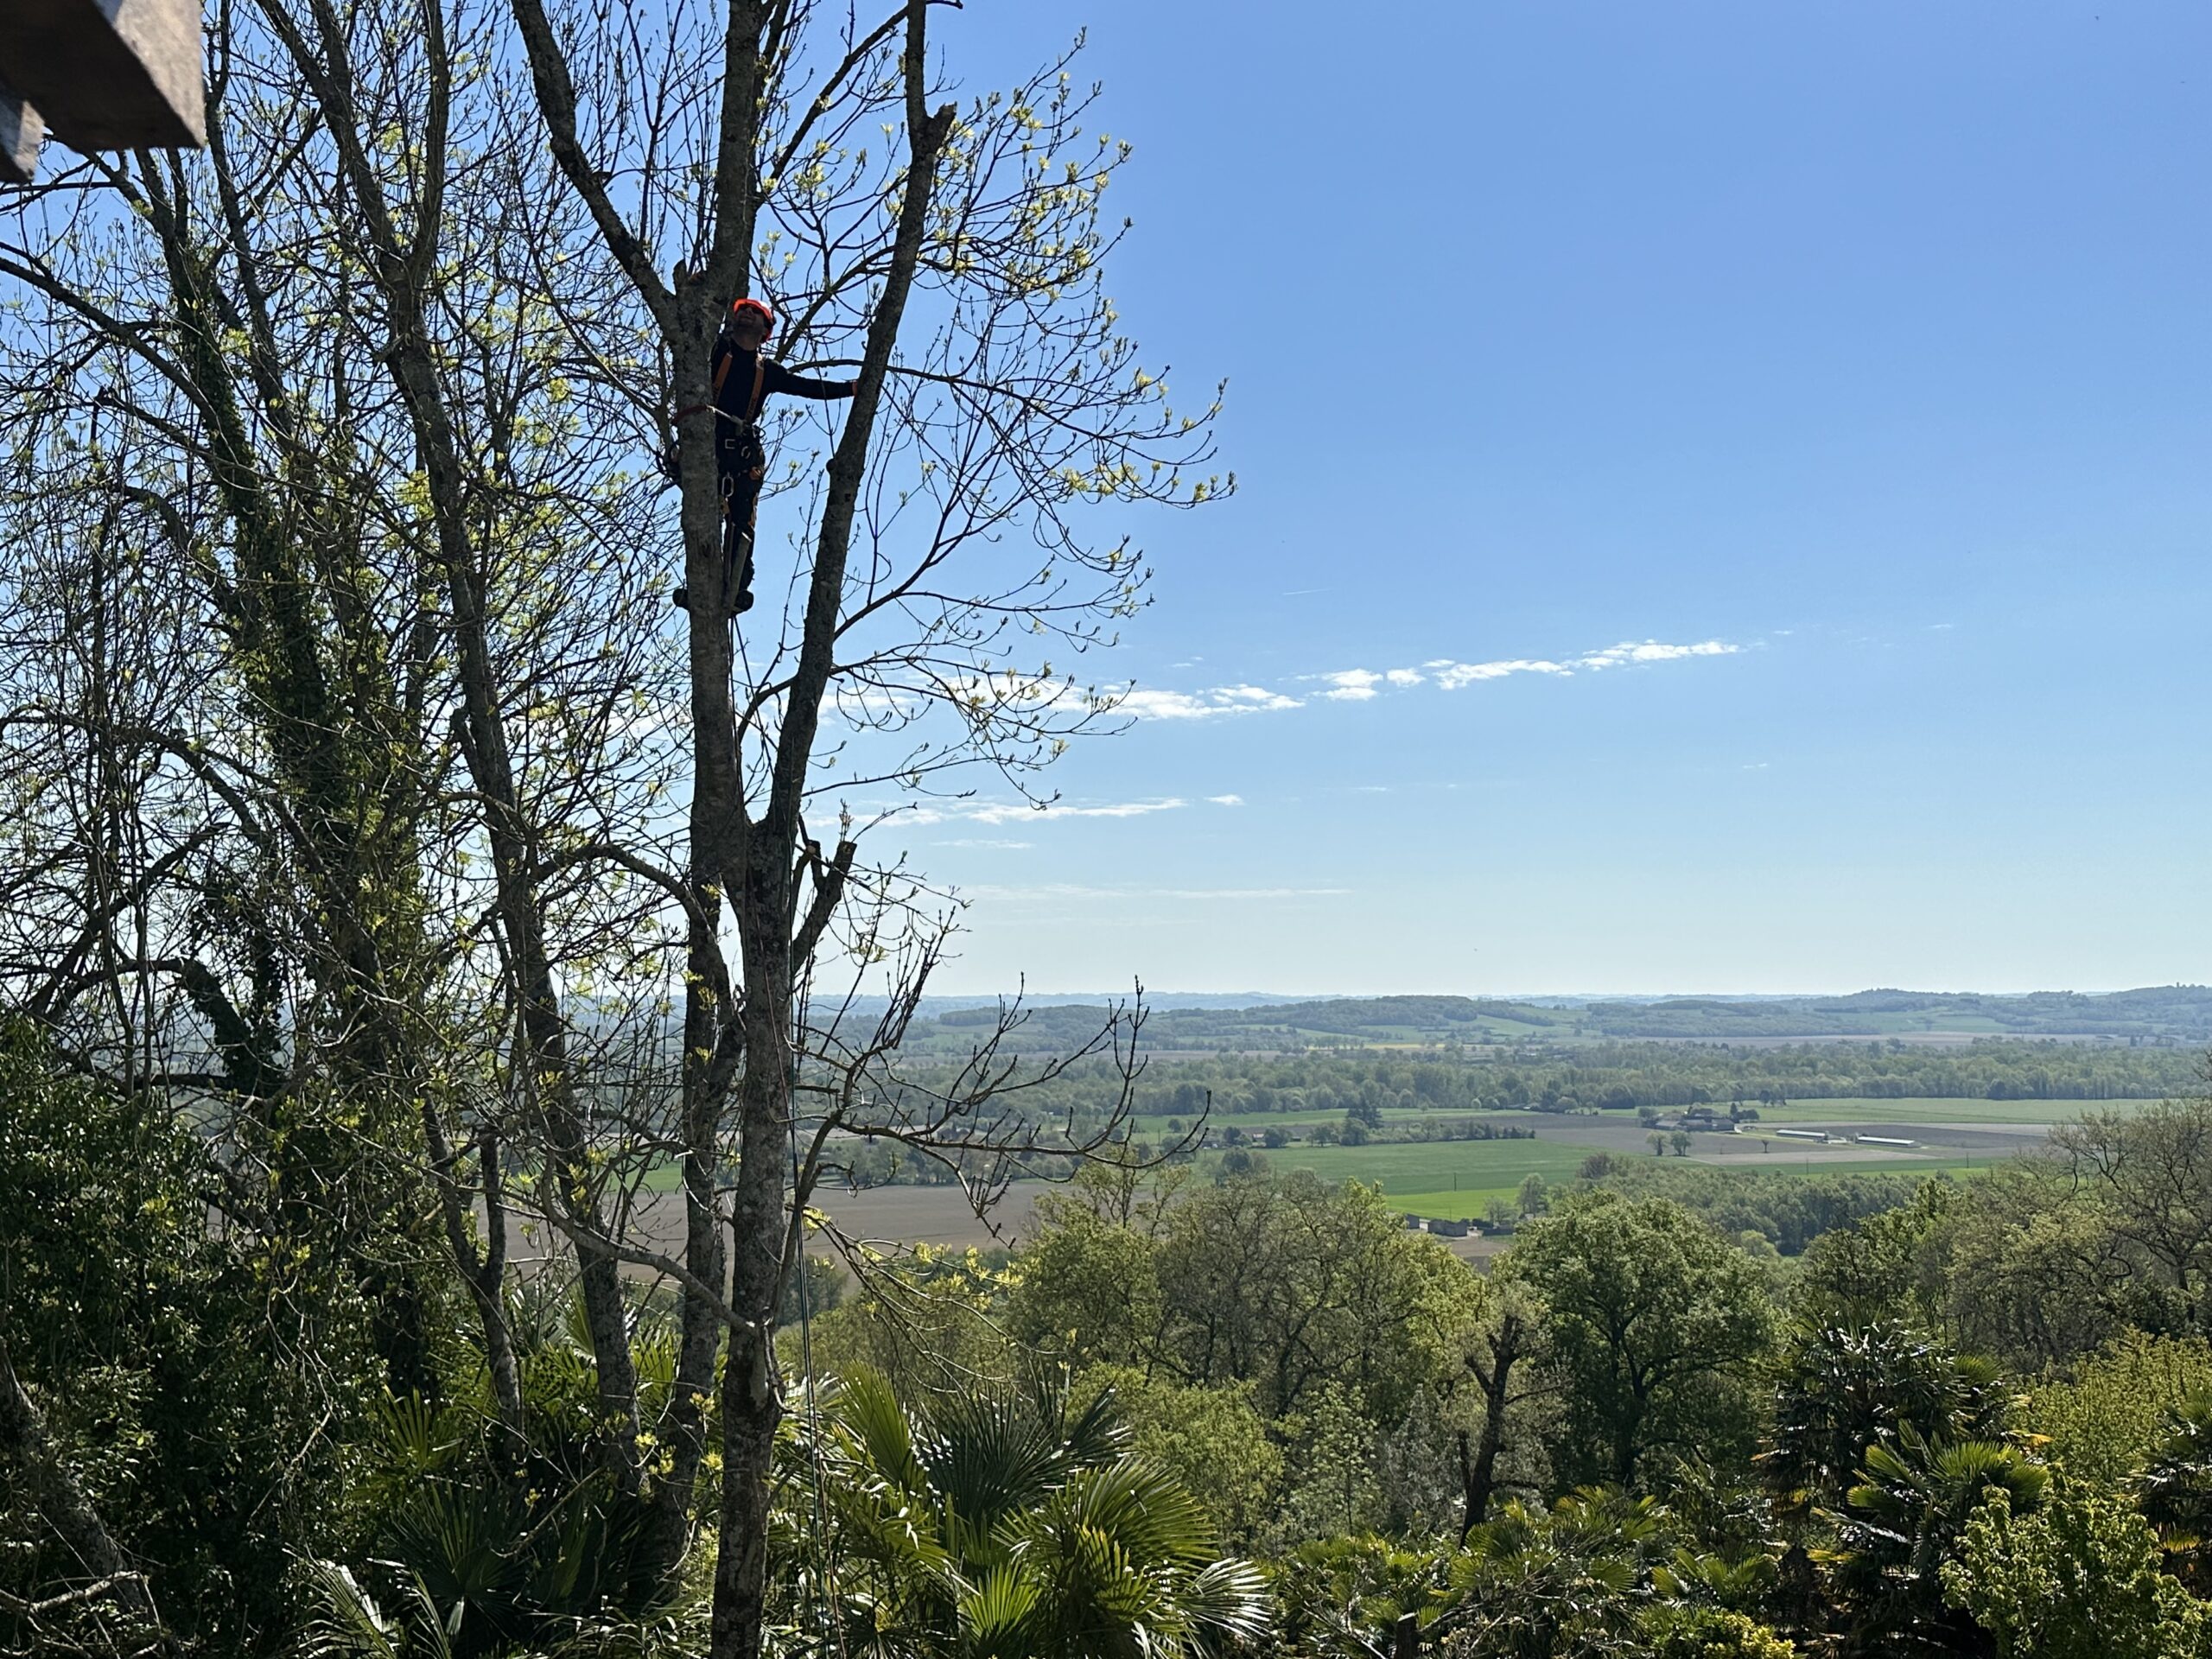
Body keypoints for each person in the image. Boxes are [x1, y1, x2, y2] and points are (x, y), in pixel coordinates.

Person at [674, 296, 856, 615]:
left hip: (741, 455)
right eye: (743, 310)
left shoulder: (766, 371)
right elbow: (685, 337)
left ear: (766, 330)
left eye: (755, 313)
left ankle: (736, 587)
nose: (746, 314)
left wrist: (852, 389)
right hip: (705, 446)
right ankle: (699, 586)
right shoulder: (714, 351)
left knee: (741, 520)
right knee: (700, 518)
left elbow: (808, 388)